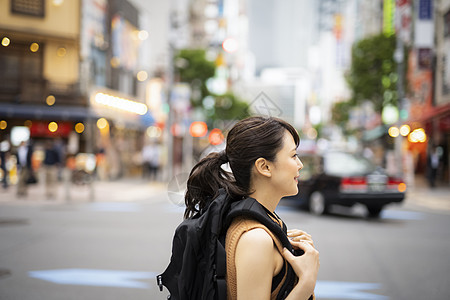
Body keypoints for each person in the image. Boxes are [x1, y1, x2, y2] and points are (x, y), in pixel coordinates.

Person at [184, 116, 319, 299]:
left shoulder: (260, 223)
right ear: (264, 167)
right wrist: (306, 282)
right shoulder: (256, 239)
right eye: (293, 155)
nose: (300, 164)